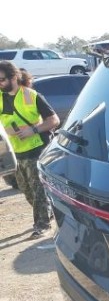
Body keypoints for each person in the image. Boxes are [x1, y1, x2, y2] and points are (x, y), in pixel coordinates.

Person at [0, 60, 60, 237]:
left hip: (36, 149)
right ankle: (49, 213)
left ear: (14, 77)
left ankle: (42, 224)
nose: (0, 83)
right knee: (26, 190)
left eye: (2, 79)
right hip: (14, 153)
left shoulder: (31, 95)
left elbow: (54, 120)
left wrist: (32, 130)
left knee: (38, 190)